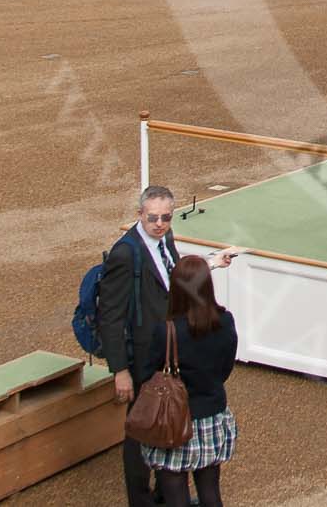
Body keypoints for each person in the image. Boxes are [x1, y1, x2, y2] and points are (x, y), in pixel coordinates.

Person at [98, 185, 237, 507]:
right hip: (146, 354)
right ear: (139, 215)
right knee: (142, 428)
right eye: (152, 218)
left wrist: (210, 263)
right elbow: (111, 315)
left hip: (169, 347)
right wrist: (120, 370)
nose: (159, 224)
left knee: (168, 422)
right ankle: (141, 500)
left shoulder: (165, 240)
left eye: (165, 218)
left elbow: (174, 277)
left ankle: (166, 494)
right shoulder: (124, 253)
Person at [141, 254, 240, 507]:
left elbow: (148, 372)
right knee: (210, 492)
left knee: (176, 496)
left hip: (175, 421)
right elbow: (225, 367)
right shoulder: (225, 321)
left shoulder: (167, 331)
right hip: (212, 415)